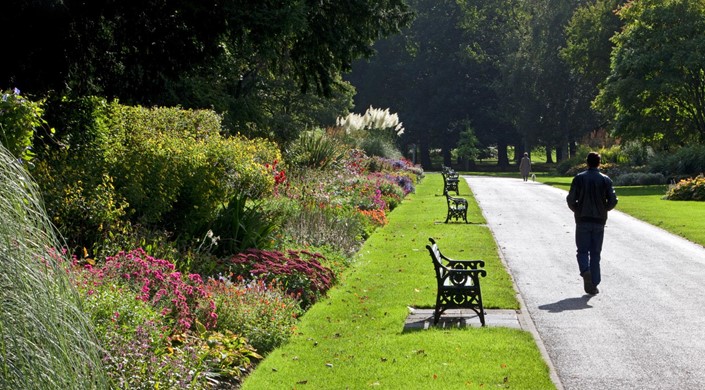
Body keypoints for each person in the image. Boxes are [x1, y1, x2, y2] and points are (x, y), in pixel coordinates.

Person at [566, 152, 618, 295]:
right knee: (596, 253)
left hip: (582, 219)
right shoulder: (605, 180)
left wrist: (577, 210)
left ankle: (585, 271)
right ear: (599, 163)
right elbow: (613, 200)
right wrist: (604, 209)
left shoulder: (579, 178)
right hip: (599, 220)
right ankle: (594, 283)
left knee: (582, 250)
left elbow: (571, 199)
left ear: (587, 162)